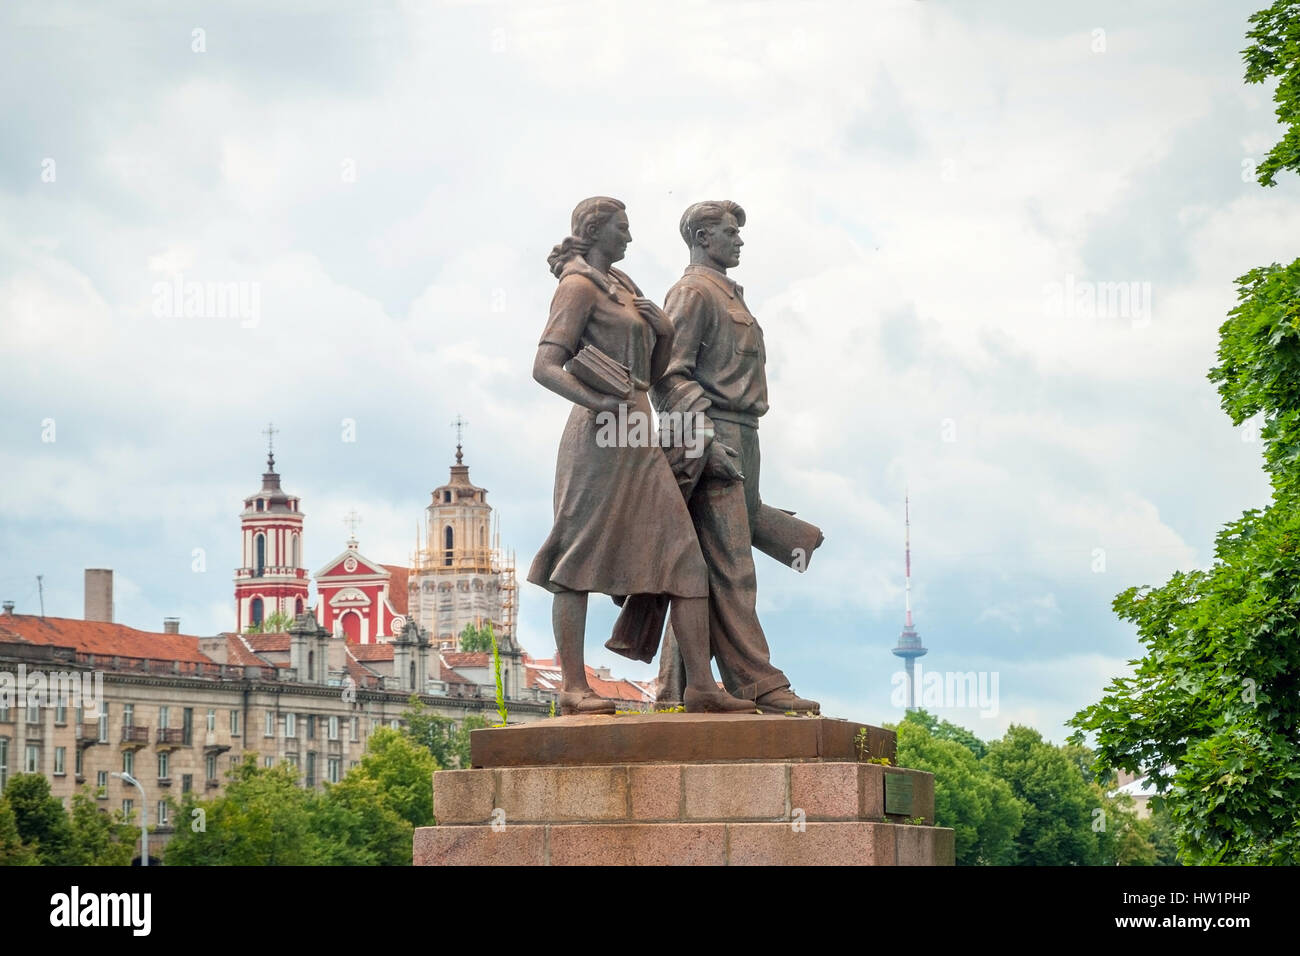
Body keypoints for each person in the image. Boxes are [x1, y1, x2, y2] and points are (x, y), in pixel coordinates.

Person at [528, 196, 754, 716]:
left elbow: (650, 376)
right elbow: (545, 365)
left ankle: (700, 687)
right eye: (622, 229)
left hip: (638, 433)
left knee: (684, 557)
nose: (629, 238)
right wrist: (598, 400)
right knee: (576, 558)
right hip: (598, 437)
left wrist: (666, 332)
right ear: (596, 230)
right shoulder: (578, 286)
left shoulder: (625, 287)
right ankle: (572, 687)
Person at [621, 199, 823, 713]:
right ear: (702, 237)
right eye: (729, 232)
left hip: (744, 432)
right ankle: (758, 682)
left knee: (706, 569)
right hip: (714, 435)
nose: (738, 240)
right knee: (733, 566)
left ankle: (675, 692)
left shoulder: (726, 293)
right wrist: (705, 443)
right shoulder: (692, 293)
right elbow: (667, 375)